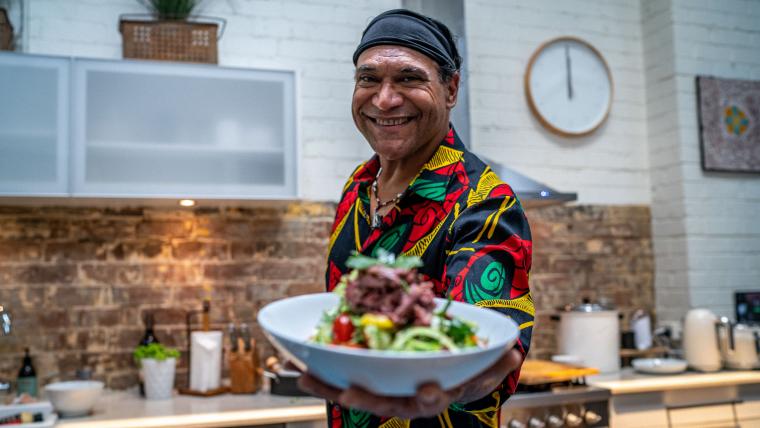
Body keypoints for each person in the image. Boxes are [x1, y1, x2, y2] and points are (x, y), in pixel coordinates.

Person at [298, 9, 534, 428]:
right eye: (368, 79)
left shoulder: (484, 201)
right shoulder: (358, 185)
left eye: (409, 78)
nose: (384, 99)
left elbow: (494, 346)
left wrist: (460, 382)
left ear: (451, 89)